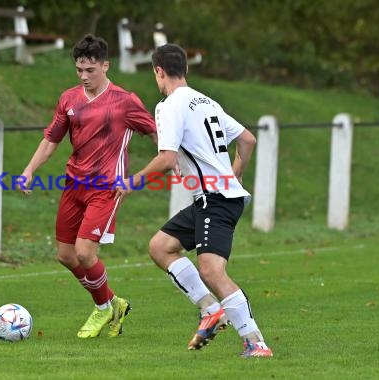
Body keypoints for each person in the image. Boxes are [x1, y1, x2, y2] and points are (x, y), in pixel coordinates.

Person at [115, 43, 273, 357]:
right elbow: (248, 140)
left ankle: (255, 342)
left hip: (216, 200)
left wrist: (131, 183)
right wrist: (235, 172)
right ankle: (209, 309)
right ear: (184, 69)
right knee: (160, 247)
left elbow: (166, 158)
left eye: (155, 74)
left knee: (212, 271)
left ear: (158, 72)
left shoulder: (169, 105)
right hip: (214, 198)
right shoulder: (207, 101)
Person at [19, 34, 157, 339]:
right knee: (65, 256)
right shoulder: (69, 99)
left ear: (106, 66)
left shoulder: (125, 101)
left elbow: (156, 134)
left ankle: (102, 308)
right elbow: (51, 140)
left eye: (90, 70)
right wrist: (29, 170)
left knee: (84, 252)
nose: (83, 76)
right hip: (73, 185)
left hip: (106, 188)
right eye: (79, 69)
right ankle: (113, 303)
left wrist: (161, 165)